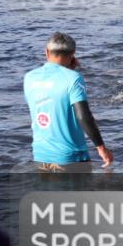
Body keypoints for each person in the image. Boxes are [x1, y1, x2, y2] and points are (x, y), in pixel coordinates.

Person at [24, 33, 113, 172]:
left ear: (46, 52)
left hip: (40, 155)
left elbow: (49, 103)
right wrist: (101, 148)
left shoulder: (29, 78)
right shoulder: (73, 78)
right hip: (71, 157)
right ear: (72, 54)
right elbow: (83, 115)